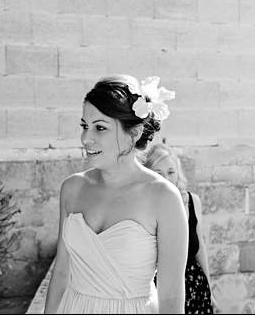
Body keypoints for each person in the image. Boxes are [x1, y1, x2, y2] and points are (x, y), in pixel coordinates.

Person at [45, 74, 186, 314]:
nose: (86, 138)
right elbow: (61, 270)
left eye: (100, 127)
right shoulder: (72, 188)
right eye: (84, 126)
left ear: (134, 133)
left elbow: (171, 296)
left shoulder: (164, 198)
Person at [143, 143, 217, 314]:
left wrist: (209, 289)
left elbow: (200, 248)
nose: (166, 179)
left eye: (171, 172)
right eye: (158, 173)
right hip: (157, 294)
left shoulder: (192, 201)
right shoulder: (143, 208)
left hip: (195, 288)